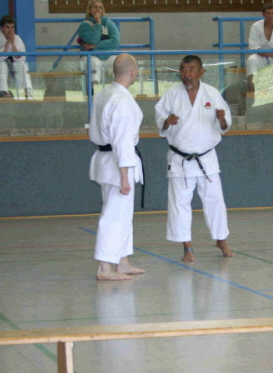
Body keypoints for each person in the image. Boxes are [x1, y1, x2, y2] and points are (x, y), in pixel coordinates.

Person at [155, 55, 234, 263]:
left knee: (215, 201)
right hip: (179, 158)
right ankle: (187, 246)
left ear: (201, 72)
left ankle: (221, 240)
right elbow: (160, 123)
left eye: (191, 69)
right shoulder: (172, 94)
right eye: (183, 69)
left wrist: (221, 119)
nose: (186, 74)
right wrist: (167, 121)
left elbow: (225, 125)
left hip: (206, 158)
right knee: (180, 204)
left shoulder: (212, 93)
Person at [89, 53, 145, 281]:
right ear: (132, 72)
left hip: (107, 161)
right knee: (114, 215)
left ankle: (122, 261)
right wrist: (124, 176)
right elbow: (122, 140)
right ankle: (104, 267)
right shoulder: (121, 101)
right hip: (118, 164)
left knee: (122, 214)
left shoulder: (104, 93)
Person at [0, 15, 34, 99]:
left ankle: (26, 93)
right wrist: (7, 43)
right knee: (2, 65)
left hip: (14, 65)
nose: (10, 30)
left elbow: (22, 58)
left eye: (12, 27)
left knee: (22, 65)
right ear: (2, 28)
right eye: (7, 27)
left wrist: (13, 43)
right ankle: (4, 92)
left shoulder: (17, 38)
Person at [78, 0, 120, 86]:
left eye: (100, 7)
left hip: (108, 55)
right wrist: (98, 23)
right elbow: (92, 40)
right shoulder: (84, 25)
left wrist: (96, 46)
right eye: (95, 7)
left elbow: (115, 42)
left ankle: (116, 90)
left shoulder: (109, 24)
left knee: (117, 62)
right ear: (90, 10)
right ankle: (94, 91)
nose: (98, 9)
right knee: (94, 63)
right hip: (90, 56)